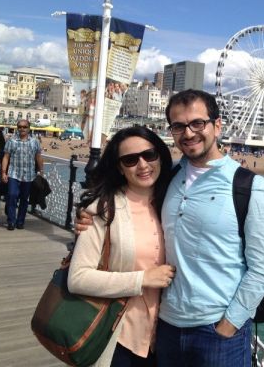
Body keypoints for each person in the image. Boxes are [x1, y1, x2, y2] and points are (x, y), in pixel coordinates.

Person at [77, 89, 264, 366]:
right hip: (166, 327)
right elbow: (129, 203)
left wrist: (229, 324)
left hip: (218, 331)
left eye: (198, 123)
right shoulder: (168, 178)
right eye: (179, 126)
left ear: (217, 125)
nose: (189, 133)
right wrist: (90, 217)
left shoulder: (250, 187)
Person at [68, 126, 176, 367]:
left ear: (160, 156)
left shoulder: (173, 202)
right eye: (130, 160)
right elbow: (77, 278)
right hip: (118, 335)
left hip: (165, 338)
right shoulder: (104, 209)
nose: (143, 165)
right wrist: (142, 279)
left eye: (149, 155)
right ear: (119, 167)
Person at [1, 120, 44, 230]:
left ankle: (20, 221)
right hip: (13, 173)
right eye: (20, 127)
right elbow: (6, 157)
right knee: (12, 195)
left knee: (24, 199)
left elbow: (38, 157)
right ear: (17, 128)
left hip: (29, 175)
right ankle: (11, 221)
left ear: (29, 128)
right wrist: (3, 172)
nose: (22, 129)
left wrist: (41, 171)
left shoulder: (35, 142)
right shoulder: (11, 141)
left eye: (24, 127)